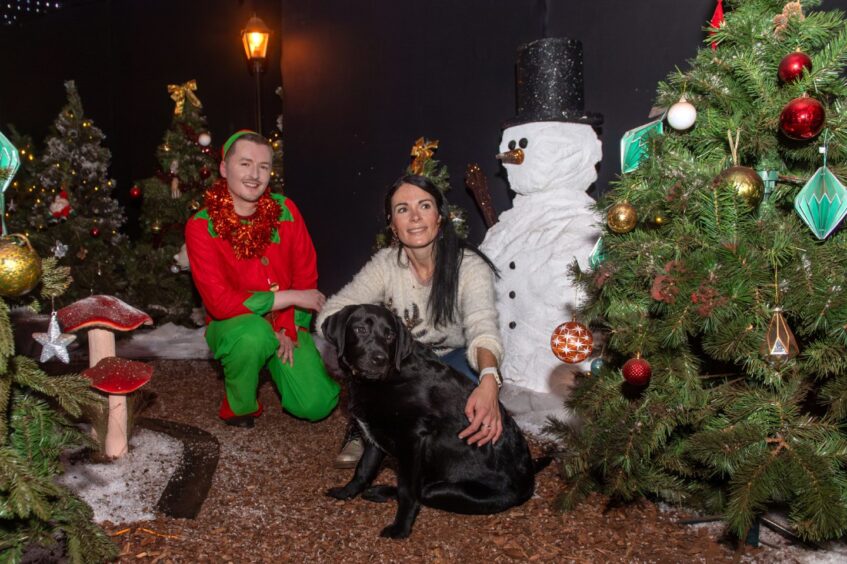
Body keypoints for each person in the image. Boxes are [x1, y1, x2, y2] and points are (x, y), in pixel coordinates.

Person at [317, 170, 504, 468]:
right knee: (375, 366)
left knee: (469, 410)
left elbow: (483, 328)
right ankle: (363, 427)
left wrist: (490, 381)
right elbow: (331, 312)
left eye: (425, 206)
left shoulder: (468, 266)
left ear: (440, 217)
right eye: (403, 209)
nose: (415, 217)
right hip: (400, 357)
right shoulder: (385, 265)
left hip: (451, 358)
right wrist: (363, 345)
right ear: (393, 224)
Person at [186, 130, 340, 428]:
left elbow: (305, 272)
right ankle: (239, 404)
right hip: (235, 325)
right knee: (252, 335)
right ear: (223, 169)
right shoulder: (201, 226)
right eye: (245, 164)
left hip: (287, 321)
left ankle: (279, 359)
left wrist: (287, 326)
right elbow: (219, 303)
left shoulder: (286, 210)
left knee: (316, 405)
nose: (255, 175)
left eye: (264, 166)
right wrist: (290, 298)